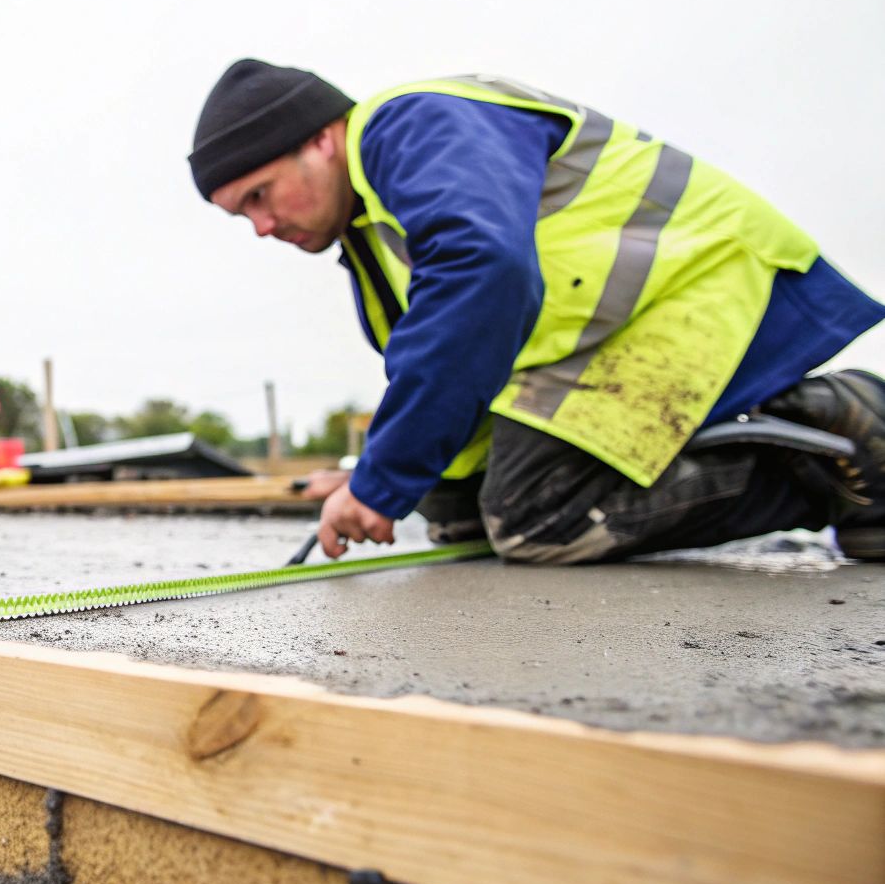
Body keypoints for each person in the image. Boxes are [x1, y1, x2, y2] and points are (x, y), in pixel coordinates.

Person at [189, 61, 885, 563]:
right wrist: (399, 476)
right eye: (238, 214)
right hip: (605, 335)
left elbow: (482, 276)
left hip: (699, 280)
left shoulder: (413, 125)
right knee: (465, 524)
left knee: (538, 517)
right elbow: (439, 350)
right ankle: (814, 450)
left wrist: (383, 479)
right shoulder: (369, 228)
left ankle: (831, 440)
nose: (260, 227)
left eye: (260, 195)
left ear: (320, 139)